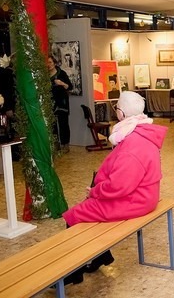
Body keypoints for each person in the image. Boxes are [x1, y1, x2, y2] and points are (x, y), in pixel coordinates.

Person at [62, 91, 167, 284]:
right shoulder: (141, 132)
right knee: (91, 206)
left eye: (117, 108)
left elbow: (120, 186)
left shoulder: (132, 143)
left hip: (135, 200)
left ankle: (72, 273)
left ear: (122, 114)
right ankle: (103, 256)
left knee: (74, 215)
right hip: (145, 194)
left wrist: (95, 191)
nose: (116, 112)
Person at [47, 55, 73, 151]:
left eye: (50, 62)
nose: (48, 65)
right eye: (47, 63)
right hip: (50, 102)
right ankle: (56, 143)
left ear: (54, 63)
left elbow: (70, 87)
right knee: (52, 124)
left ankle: (65, 144)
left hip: (62, 102)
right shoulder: (45, 76)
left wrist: (62, 83)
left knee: (63, 123)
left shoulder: (61, 73)